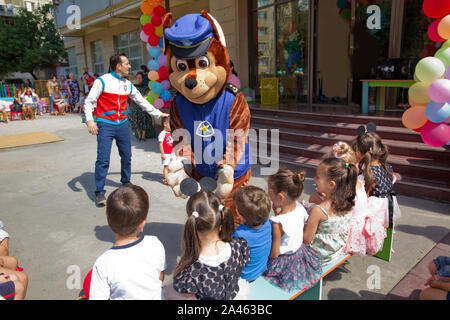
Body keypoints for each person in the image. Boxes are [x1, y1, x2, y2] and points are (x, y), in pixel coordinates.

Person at [84, 53, 169, 206]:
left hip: (122, 123)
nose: (129, 66)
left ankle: (126, 181)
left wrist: (158, 113)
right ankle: (99, 191)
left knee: (127, 155)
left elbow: (141, 101)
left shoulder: (127, 84)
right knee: (103, 159)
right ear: (118, 66)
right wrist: (90, 121)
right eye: (127, 64)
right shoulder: (102, 81)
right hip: (105, 124)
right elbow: (89, 102)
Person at [89, 185, 166, 300]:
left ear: (107, 215)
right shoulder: (154, 244)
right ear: (142, 224)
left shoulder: (103, 263)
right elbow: (160, 277)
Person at [172, 191, 250, 300]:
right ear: (221, 217)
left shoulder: (191, 269)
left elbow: (188, 294)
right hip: (234, 295)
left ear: (192, 222)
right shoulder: (239, 246)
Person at [264, 169, 322, 292]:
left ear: (280, 197)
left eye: (270, 193)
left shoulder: (277, 222)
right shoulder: (299, 207)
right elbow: (294, 225)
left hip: (283, 262)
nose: (269, 196)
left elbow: (274, 253)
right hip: (300, 255)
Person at [304, 157, 355, 265]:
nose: (314, 179)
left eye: (318, 177)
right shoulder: (347, 203)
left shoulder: (318, 211)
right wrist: (319, 201)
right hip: (334, 253)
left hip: (317, 258)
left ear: (331, 184)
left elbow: (306, 240)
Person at [353, 131, 401, 228]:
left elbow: (362, 197)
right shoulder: (386, 166)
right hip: (388, 207)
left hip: (375, 210)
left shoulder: (368, 172)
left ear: (359, 152)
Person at [232, 186, 272, 282]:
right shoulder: (268, 223)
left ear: (240, 215)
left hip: (245, 277)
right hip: (259, 270)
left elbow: (232, 258)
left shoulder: (240, 234)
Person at [129, 72, 154, 142]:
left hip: (142, 107)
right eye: (137, 78)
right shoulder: (133, 87)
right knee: (136, 120)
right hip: (135, 106)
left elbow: (148, 95)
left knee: (143, 120)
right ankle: (139, 136)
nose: (138, 79)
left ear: (143, 79)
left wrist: (145, 96)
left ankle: (143, 136)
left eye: (140, 78)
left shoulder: (146, 87)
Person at [158, 117, 174, 185]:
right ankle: (166, 179)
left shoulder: (172, 132)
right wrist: (162, 153)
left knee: (172, 166)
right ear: (165, 124)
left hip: (172, 153)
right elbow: (160, 143)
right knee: (166, 166)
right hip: (166, 153)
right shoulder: (162, 133)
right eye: (171, 125)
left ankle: (171, 177)